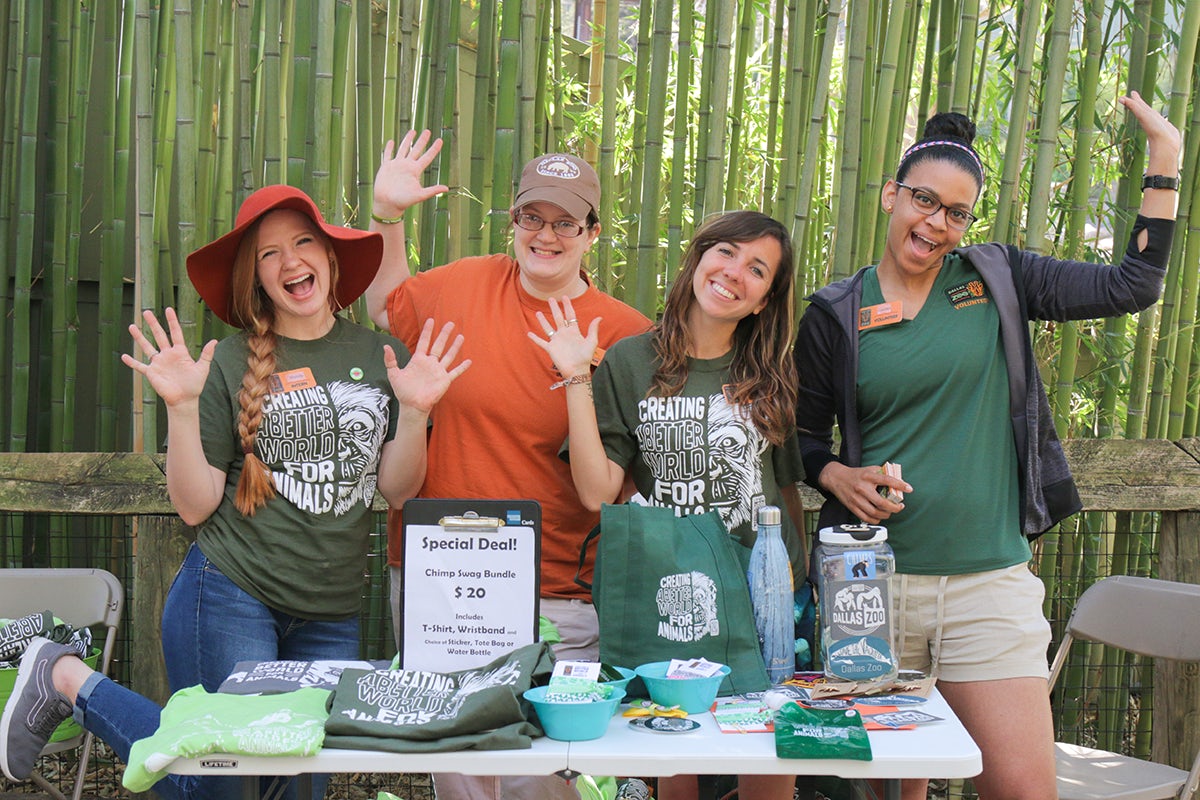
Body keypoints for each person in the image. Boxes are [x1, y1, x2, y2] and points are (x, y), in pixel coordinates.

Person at [0, 184, 469, 800]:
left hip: (331, 612)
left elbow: (398, 489)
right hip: (230, 597)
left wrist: (412, 413)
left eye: (303, 242)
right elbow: (195, 506)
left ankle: (62, 677)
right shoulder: (231, 362)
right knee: (220, 778)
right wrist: (183, 408)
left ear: (331, 257)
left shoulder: (377, 355)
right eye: (269, 253)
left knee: (287, 783)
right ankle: (66, 679)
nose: (290, 261)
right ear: (256, 277)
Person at [793, 91, 1180, 800]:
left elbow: (1134, 285)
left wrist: (1165, 161)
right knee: (878, 794)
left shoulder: (996, 278)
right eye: (923, 201)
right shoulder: (834, 312)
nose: (935, 222)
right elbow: (804, 439)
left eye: (956, 212)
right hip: (872, 590)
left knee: (1025, 791)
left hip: (987, 587)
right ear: (891, 196)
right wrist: (837, 476)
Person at [365, 132, 651, 800]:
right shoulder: (460, 286)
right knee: (460, 764)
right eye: (532, 217)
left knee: (545, 774)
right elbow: (385, 304)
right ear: (513, 220)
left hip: (559, 586)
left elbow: (627, 473)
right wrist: (386, 217)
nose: (545, 236)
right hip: (440, 575)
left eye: (565, 223)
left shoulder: (626, 333)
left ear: (592, 233)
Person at [530, 210, 806, 800]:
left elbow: (782, 493)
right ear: (699, 255)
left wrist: (795, 586)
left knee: (764, 756)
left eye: (757, 269)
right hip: (669, 592)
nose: (735, 272)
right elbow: (597, 492)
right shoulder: (631, 362)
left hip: (759, 595)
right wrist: (577, 377)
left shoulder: (771, 375)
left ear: (763, 300)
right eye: (726, 252)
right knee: (671, 752)